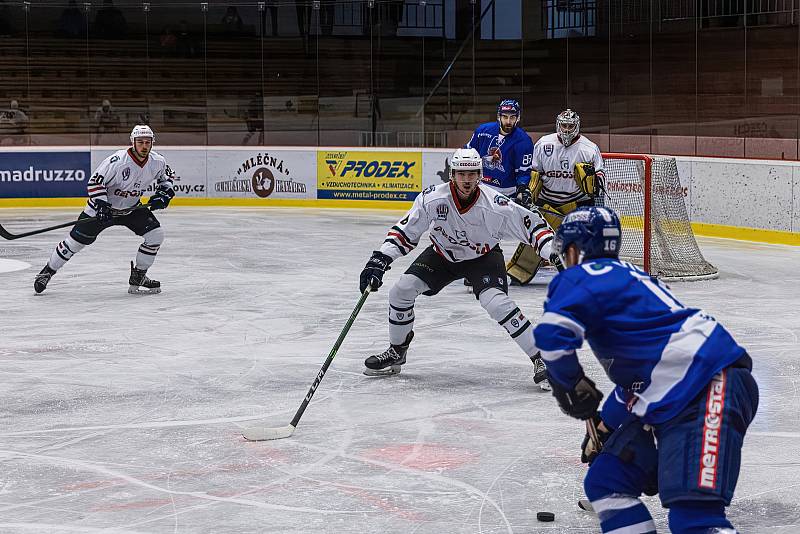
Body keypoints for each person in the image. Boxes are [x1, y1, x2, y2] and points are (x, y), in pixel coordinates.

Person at [532, 206, 758, 534]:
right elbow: (641, 377)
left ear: (572, 250)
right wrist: (604, 423)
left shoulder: (581, 276)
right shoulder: (629, 278)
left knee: (694, 519)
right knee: (606, 482)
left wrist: (570, 386)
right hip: (686, 386)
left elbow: (552, 337)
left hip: (708, 387)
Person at [358, 148, 559, 390]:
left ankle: (542, 358)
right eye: (461, 174)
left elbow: (534, 228)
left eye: (472, 173)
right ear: (452, 174)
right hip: (442, 254)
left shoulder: (496, 205)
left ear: (480, 175)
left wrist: (551, 250)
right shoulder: (432, 198)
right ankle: (397, 351)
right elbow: (406, 231)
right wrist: (380, 259)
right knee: (401, 291)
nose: (466, 179)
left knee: (496, 303)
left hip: (482, 257)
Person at [34, 125, 176, 295]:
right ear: (133, 142)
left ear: (152, 143)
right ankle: (47, 271)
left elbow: (167, 179)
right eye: (140, 142)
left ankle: (139, 276)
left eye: (147, 142)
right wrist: (102, 205)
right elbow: (95, 182)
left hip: (131, 208)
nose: (144, 146)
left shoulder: (158, 161)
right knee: (75, 243)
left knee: (155, 236)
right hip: (102, 209)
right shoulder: (117, 161)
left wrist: (164, 194)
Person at [506, 109, 606, 285]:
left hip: (575, 201)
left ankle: (581, 274)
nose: (567, 130)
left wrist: (596, 182)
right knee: (537, 237)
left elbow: (600, 176)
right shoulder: (544, 144)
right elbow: (533, 171)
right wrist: (528, 192)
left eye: (570, 126)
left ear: (577, 127)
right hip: (546, 201)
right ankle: (520, 271)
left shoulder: (589, 148)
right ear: (558, 125)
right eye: (564, 125)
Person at [465, 99, 534, 204]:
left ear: (518, 118)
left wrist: (522, 189)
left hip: (507, 193)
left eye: (512, 117)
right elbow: (468, 154)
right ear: (499, 116)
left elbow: (523, 172)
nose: (508, 121)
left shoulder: (524, 141)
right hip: (481, 188)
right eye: (505, 117)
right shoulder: (482, 131)